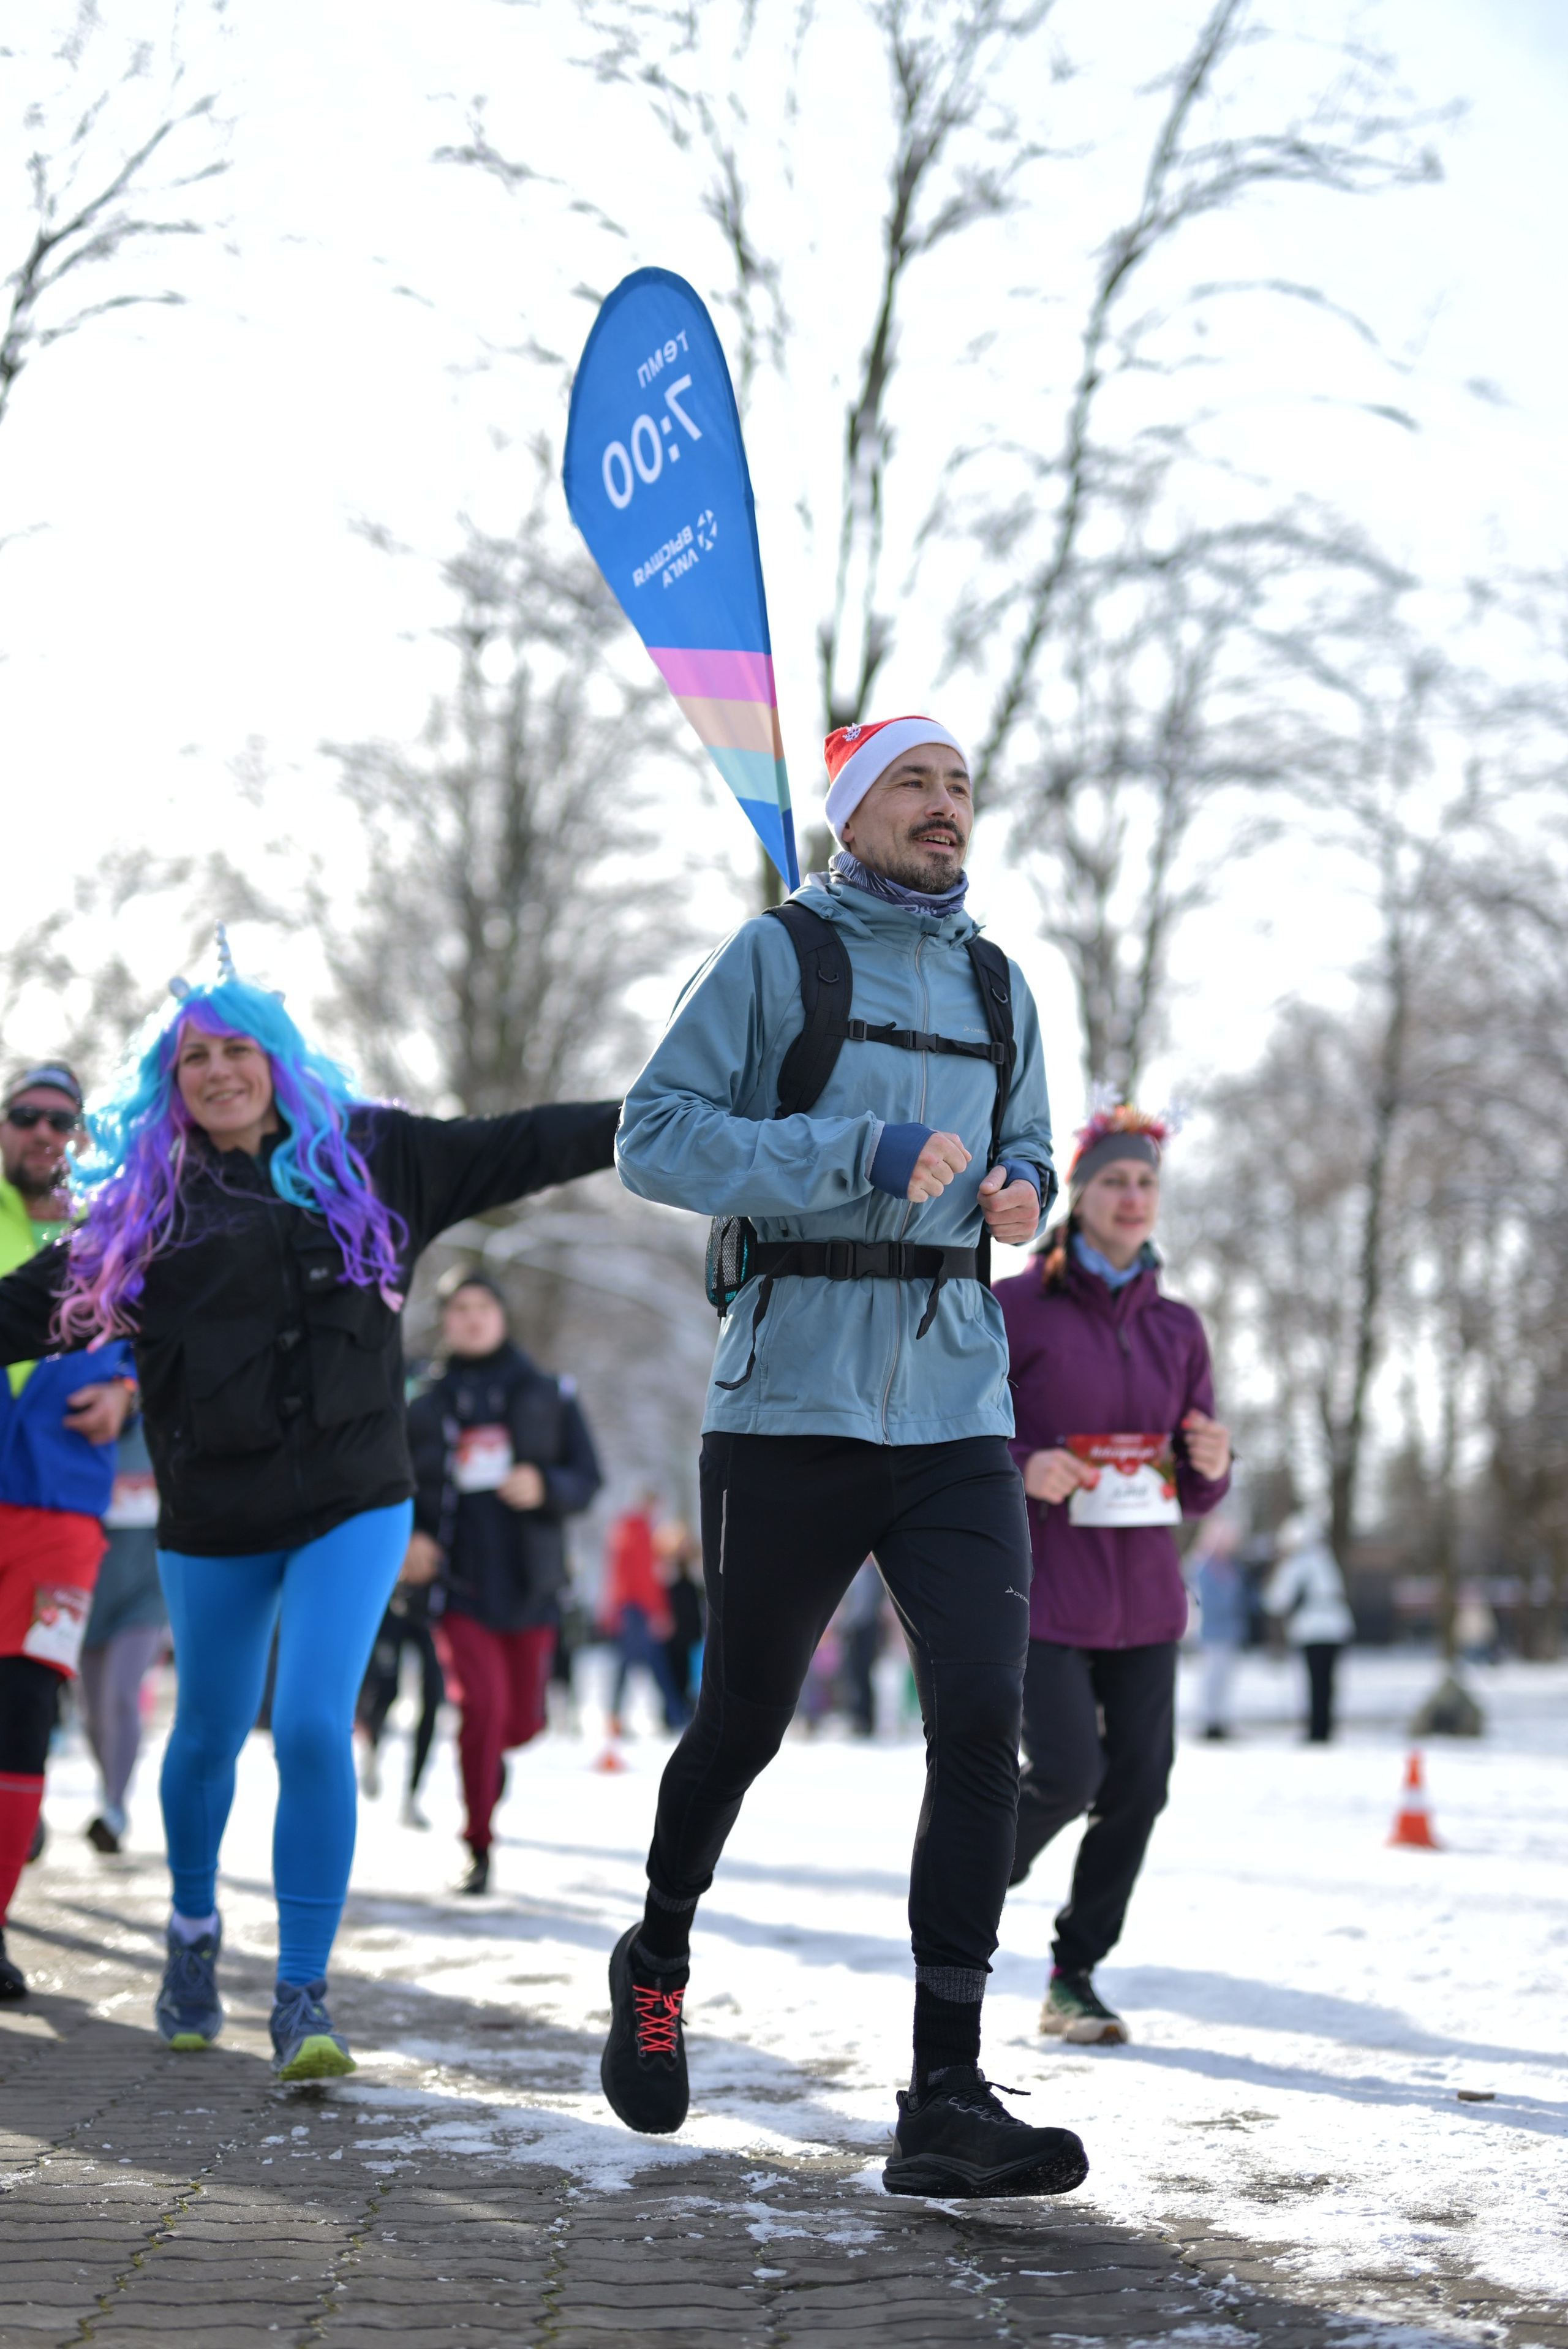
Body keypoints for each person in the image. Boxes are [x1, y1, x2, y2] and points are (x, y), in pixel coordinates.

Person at [605, 714, 1089, 2202]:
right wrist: (847, 1152)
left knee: (978, 1720)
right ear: (850, 811)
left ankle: (941, 2086)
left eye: (958, 786)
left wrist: (1021, 1187)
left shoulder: (1000, 981)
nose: (946, 808)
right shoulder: (774, 959)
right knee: (744, 1716)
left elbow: (1030, 1148)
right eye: (915, 785)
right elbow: (653, 1139)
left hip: (952, 1400)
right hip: (790, 1399)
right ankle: (657, 1943)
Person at [0, 936, 619, 2073]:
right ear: (169, 1079)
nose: (220, 1069)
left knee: (313, 1722)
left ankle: (303, 1991)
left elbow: (525, 1142)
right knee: (208, 1729)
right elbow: (15, 1312)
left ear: (280, 1060)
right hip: (217, 1512)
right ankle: (192, 1931)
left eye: (240, 1048)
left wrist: (654, 1116)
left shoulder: (378, 1159)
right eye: (196, 1055)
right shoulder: (142, 1217)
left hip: (355, 1495)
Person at [997, 1105, 1231, 2046]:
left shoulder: (1178, 1326)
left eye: (1145, 1183)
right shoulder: (1016, 1308)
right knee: (1064, 1771)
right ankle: (963, 1882)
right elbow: (957, 1432)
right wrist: (1024, 1463)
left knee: (1138, 1785)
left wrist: (1211, 1457)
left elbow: (1198, 1489)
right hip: (1046, 1590)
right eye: (1113, 1181)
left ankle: (1074, 1975)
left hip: (1145, 1600)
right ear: (1079, 1196)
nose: (1133, 1197)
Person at [0, 1062, 135, 1997]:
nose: (45, 1133)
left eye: (63, 1120)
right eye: (25, 1117)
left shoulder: (118, 1232)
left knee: (24, 1715)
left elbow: (170, 1335)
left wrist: (129, 1387)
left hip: (63, 1515)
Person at [405, 1268, 602, 1894]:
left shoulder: (547, 1392)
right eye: (458, 1307)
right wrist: (410, 1536)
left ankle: (493, 1763)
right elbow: (393, 1483)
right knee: (480, 1710)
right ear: (445, 1320)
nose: (470, 1318)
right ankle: (478, 1843)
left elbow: (587, 1477)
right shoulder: (423, 1403)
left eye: (482, 1306)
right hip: (457, 1587)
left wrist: (547, 1487)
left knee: (520, 1723)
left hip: (531, 1585)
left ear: (502, 1315)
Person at [81, 1420, 168, 1853]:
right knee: (93, 1711)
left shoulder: (164, 1425)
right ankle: (108, 1786)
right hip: (86, 1586)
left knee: (121, 1694)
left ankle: (115, 1808)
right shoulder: (76, 1424)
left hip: (146, 1592)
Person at [355, 1567, 444, 1828]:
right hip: (394, 1603)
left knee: (431, 1701)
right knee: (386, 1691)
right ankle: (372, 1749)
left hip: (436, 1612)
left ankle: (412, 1796)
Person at [599, 1492, 684, 1734]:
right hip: (638, 1610)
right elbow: (643, 1579)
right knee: (653, 1664)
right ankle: (674, 1715)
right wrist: (659, 1611)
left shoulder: (622, 1530)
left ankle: (618, 1718)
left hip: (627, 1608)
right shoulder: (640, 1533)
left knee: (630, 1665)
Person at [1264, 1515, 1354, 1742]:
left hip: (1312, 1631)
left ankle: (1316, 1731)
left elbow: (1276, 1600)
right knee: (1328, 1682)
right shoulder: (1326, 1559)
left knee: (1315, 1682)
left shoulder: (1297, 1564)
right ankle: (1325, 1728)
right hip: (1335, 1629)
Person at [1189, 1516, 1247, 1742]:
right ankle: (1208, 1722)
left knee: (1225, 1679)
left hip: (1230, 1631)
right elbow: (1209, 1600)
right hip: (1211, 1632)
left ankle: (1221, 1720)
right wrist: (1232, 1600)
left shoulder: (1231, 1566)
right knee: (1210, 1679)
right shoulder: (1203, 1566)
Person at [656, 1519, 704, 1719]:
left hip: (693, 1629)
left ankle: (690, 1712)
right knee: (674, 1673)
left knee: (693, 1676)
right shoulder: (667, 1569)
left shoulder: (696, 1567)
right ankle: (672, 1714)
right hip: (674, 1631)